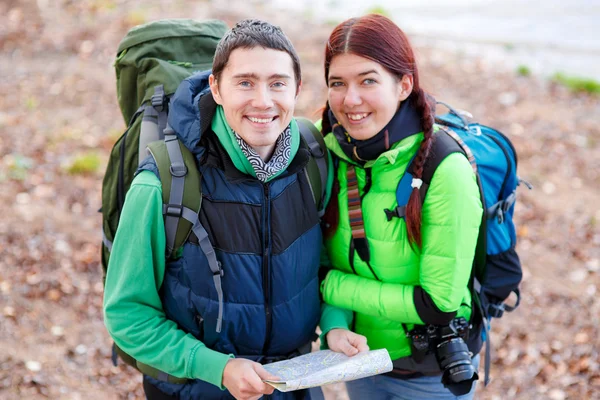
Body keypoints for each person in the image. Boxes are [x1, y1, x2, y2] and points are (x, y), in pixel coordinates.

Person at [104, 19, 326, 400]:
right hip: (196, 390)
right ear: (216, 88)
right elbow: (127, 315)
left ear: (297, 88)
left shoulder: (314, 160)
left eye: (277, 83)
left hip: (295, 387)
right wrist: (217, 368)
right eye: (245, 82)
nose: (262, 100)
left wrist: (336, 323)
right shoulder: (162, 184)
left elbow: (327, 268)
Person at [317, 14, 483, 399]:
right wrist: (334, 326)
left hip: (429, 375)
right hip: (360, 360)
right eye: (337, 83)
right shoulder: (330, 155)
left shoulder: (446, 168)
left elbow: (439, 304)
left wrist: (330, 288)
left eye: (368, 80)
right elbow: (330, 259)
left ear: (404, 84)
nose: (350, 99)